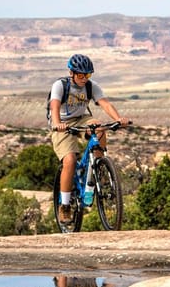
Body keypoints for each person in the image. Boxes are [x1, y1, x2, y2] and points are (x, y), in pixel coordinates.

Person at [49, 53, 130, 222]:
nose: (84, 78)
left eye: (88, 75)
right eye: (81, 75)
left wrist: (118, 119)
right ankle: (64, 206)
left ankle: (99, 166)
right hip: (63, 122)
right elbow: (54, 106)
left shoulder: (91, 86)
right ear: (72, 73)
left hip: (82, 118)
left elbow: (105, 103)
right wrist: (57, 124)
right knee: (70, 160)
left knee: (99, 127)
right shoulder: (60, 85)